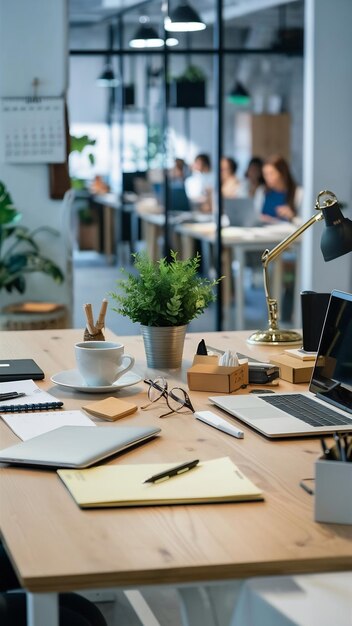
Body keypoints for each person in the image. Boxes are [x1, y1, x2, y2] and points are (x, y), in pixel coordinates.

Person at [257, 154, 303, 223]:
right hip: (264, 232)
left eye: (271, 173)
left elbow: (306, 223)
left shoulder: (299, 193)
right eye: (265, 174)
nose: (268, 178)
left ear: (282, 173)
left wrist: (292, 217)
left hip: (287, 232)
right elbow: (256, 215)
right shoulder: (261, 191)